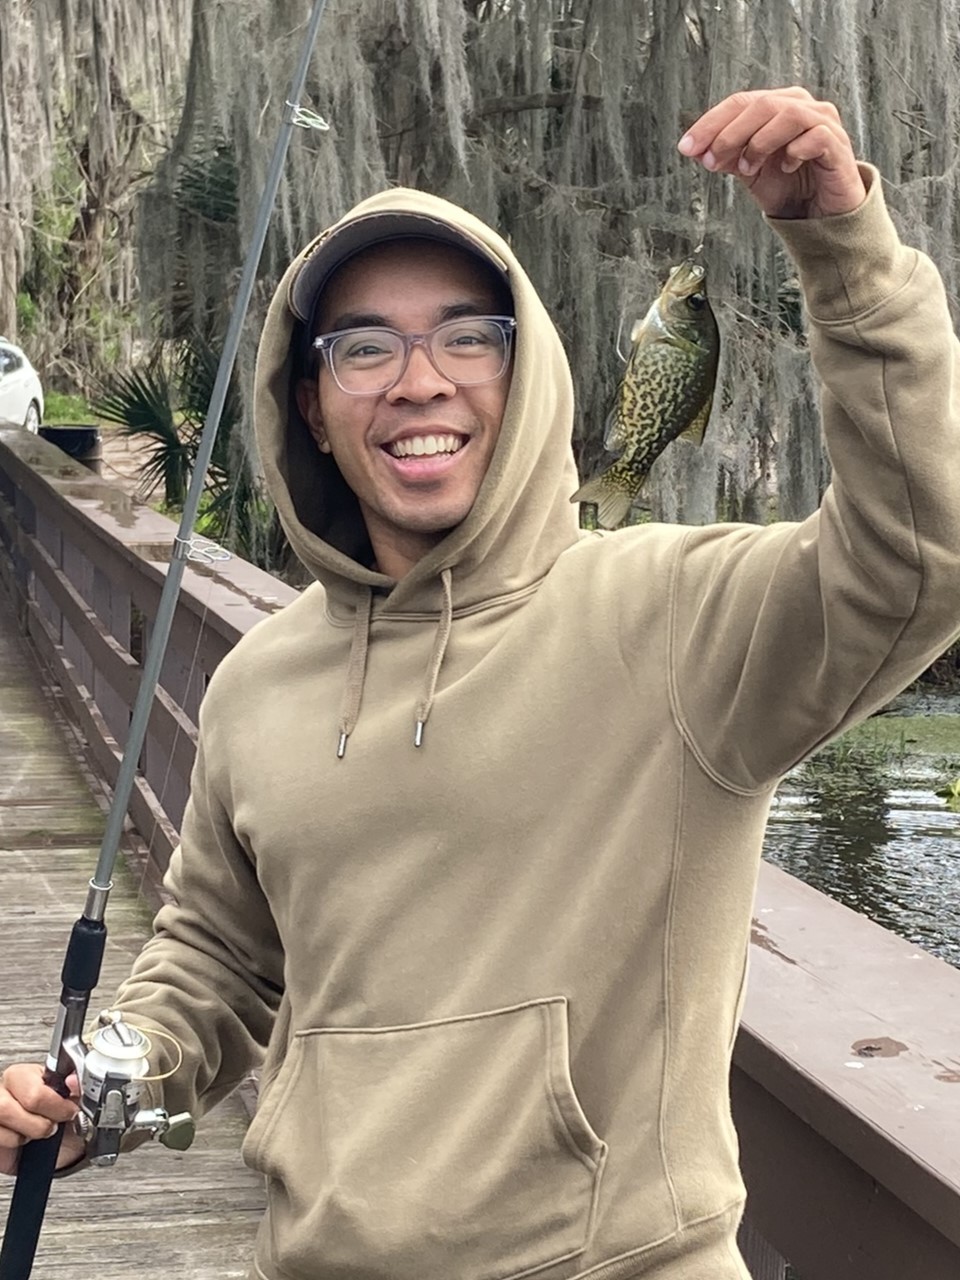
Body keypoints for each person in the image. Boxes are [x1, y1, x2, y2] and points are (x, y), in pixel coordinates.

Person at [2, 87, 959, 1279]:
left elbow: (919, 560)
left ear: (529, 371)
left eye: (468, 335)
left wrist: (846, 252)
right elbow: (219, 953)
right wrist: (111, 1075)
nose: (420, 381)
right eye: (365, 347)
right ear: (310, 398)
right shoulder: (260, 680)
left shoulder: (675, 621)